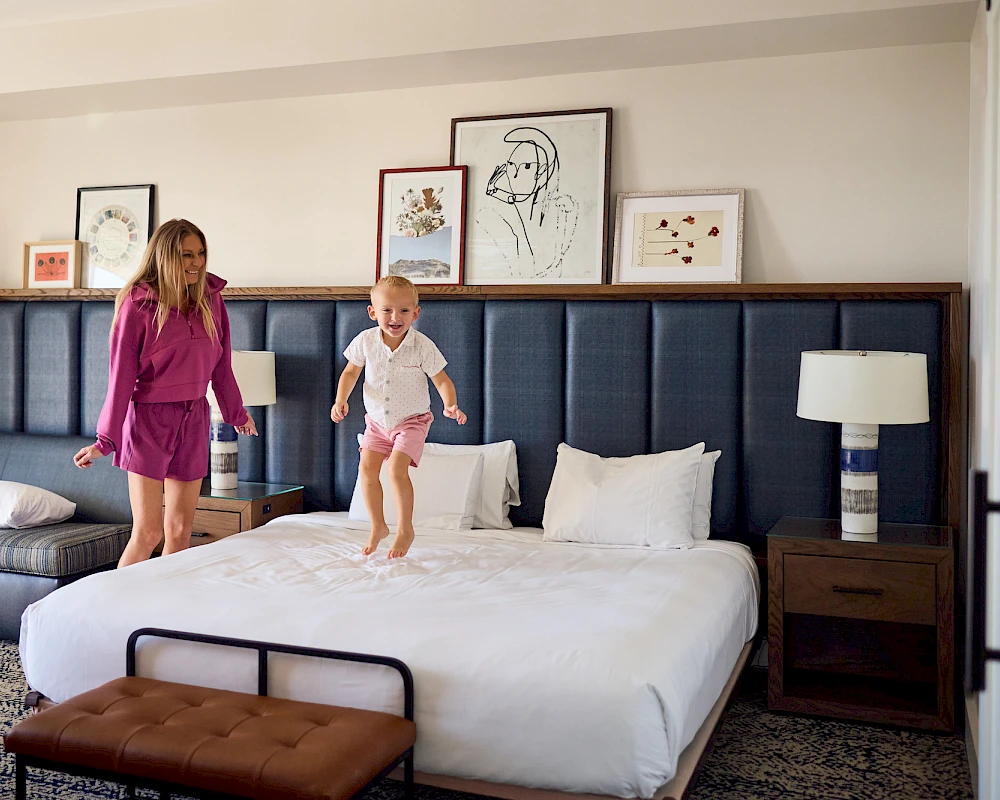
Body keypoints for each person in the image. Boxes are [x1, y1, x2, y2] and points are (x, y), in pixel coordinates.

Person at [73, 219, 257, 567]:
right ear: (165, 256)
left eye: (200, 253)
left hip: (195, 416)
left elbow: (221, 365)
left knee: (180, 531)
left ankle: (168, 600)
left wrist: (236, 413)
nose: (197, 262)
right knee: (148, 533)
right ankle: (118, 599)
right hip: (149, 421)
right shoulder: (137, 305)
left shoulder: (211, 299)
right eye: (187, 254)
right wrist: (105, 440)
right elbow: (120, 380)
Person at [331, 276, 466, 558]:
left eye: (404, 310)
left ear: (416, 313)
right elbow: (350, 373)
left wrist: (450, 405)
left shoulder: (422, 346)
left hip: (412, 421)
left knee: (395, 469)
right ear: (373, 312)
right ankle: (378, 526)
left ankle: (405, 529)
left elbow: (442, 380)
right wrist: (341, 399)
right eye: (387, 310)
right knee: (366, 470)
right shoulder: (365, 341)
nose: (396, 317)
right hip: (377, 422)